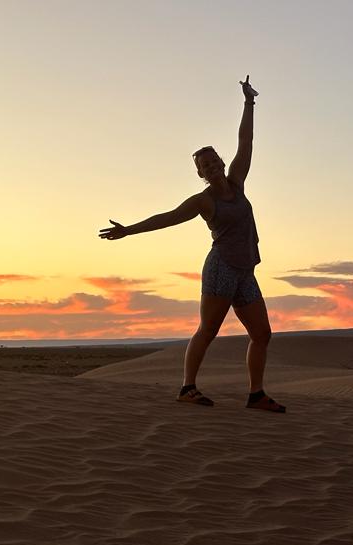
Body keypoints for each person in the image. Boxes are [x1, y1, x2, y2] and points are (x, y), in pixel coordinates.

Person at [99, 76, 284, 413]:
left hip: (246, 272)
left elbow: (247, 141)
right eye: (205, 166)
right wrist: (129, 231)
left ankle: (256, 394)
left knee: (262, 333)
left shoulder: (238, 184)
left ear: (222, 163)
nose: (212, 167)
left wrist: (249, 102)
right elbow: (166, 217)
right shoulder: (203, 201)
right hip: (221, 270)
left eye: (214, 161)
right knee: (208, 329)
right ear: (200, 173)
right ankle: (187, 387)